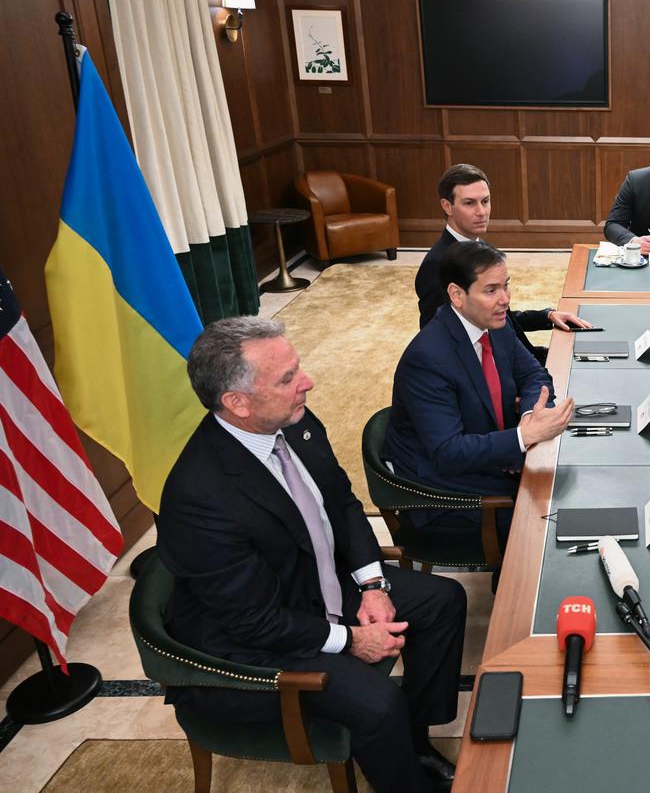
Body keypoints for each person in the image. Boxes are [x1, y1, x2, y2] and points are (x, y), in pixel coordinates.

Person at [158, 317, 466, 792]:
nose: (308, 382)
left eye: (297, 368)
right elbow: (253, 622)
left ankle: (415, 744)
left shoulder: (294, 422)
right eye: (287, 378)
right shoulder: (199, 496)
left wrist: (372, 585)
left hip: (311, 581)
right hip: (252, 645)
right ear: (237, 402)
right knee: (378, 702)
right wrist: (351, 640)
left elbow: (341, 503)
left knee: (443, 601)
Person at [385, 243, 572, 535]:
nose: (505, 300)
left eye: (506, 286)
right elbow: (448, 452)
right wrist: (523, 437)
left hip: (484, 454)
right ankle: (509, 580)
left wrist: (527, 419)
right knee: (546, 518)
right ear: (457, 295)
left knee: (565, 483)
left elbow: (535, 375)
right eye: (491, 290)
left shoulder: (494, 325)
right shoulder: (428, 358)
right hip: (441, 489)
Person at [414, 164, 589, 363]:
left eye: (485, 201)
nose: (482, 212)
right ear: (447, 206)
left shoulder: (480, 246)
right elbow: (439, 343)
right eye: (470, 203)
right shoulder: (436, 266)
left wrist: (546, 316)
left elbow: (494, 316)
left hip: (523, 359)